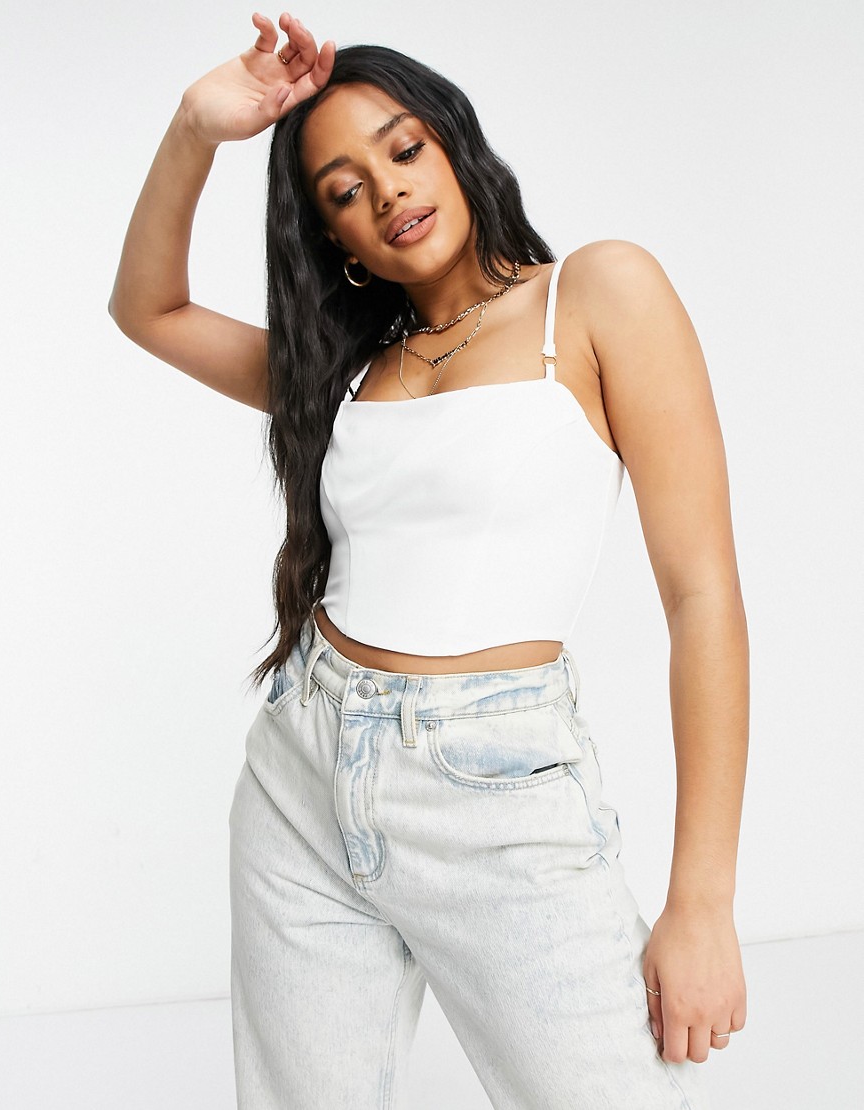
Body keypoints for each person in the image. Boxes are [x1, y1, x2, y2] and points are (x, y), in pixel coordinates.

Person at [109, 11, 748, 1109]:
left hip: (497, 794)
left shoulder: (594, 295)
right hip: (302, 777)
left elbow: (702, 597)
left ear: (453, 142)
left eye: (403, 149)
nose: (388, 192)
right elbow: (147, 309)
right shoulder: (345, 372)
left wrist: (702, 904)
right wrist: (192, 128)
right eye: (343, 191)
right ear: (336, 242)